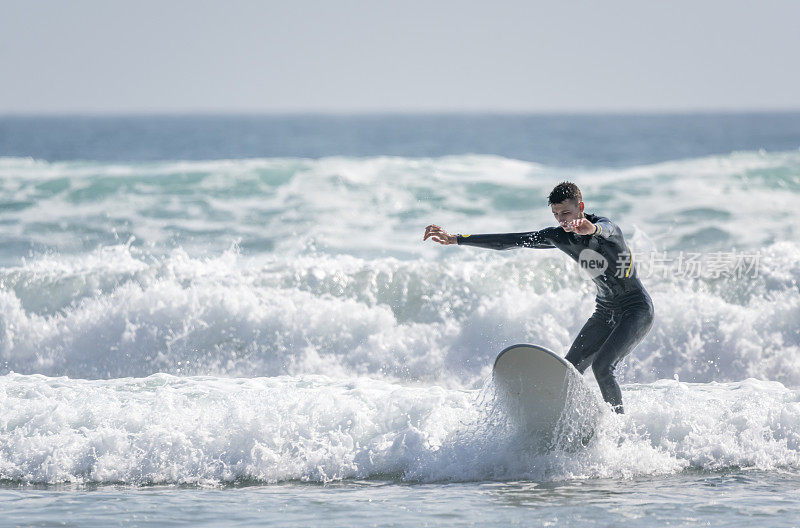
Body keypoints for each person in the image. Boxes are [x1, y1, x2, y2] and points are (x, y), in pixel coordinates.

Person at [423, 181, 654, 413]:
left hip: (635, 309)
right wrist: (457, 238)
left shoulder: (605, 229)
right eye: (556, 214)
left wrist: (591, 229)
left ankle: (617, 428)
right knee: (568, 371)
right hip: (605, 311)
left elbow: (607, 228)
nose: (562, 220)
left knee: (603, 367)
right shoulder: (559, 237)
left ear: (580, 206)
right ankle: (572, 423)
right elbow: (509, 242)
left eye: (566, 212)